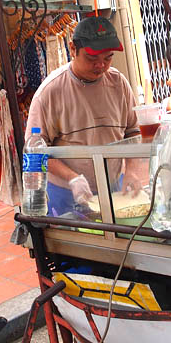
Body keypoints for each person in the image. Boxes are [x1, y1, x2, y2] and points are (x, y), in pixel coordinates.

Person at [26, 16, 140, 217]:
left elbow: (132, 132)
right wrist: (72, 179)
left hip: (114, 187)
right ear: (72, 49)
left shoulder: (118, 83)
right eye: (92, 59)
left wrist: (130, 169)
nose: (101, 66)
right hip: (67, 193)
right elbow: (34, 152)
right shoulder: (50, 93)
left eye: (107, 58)